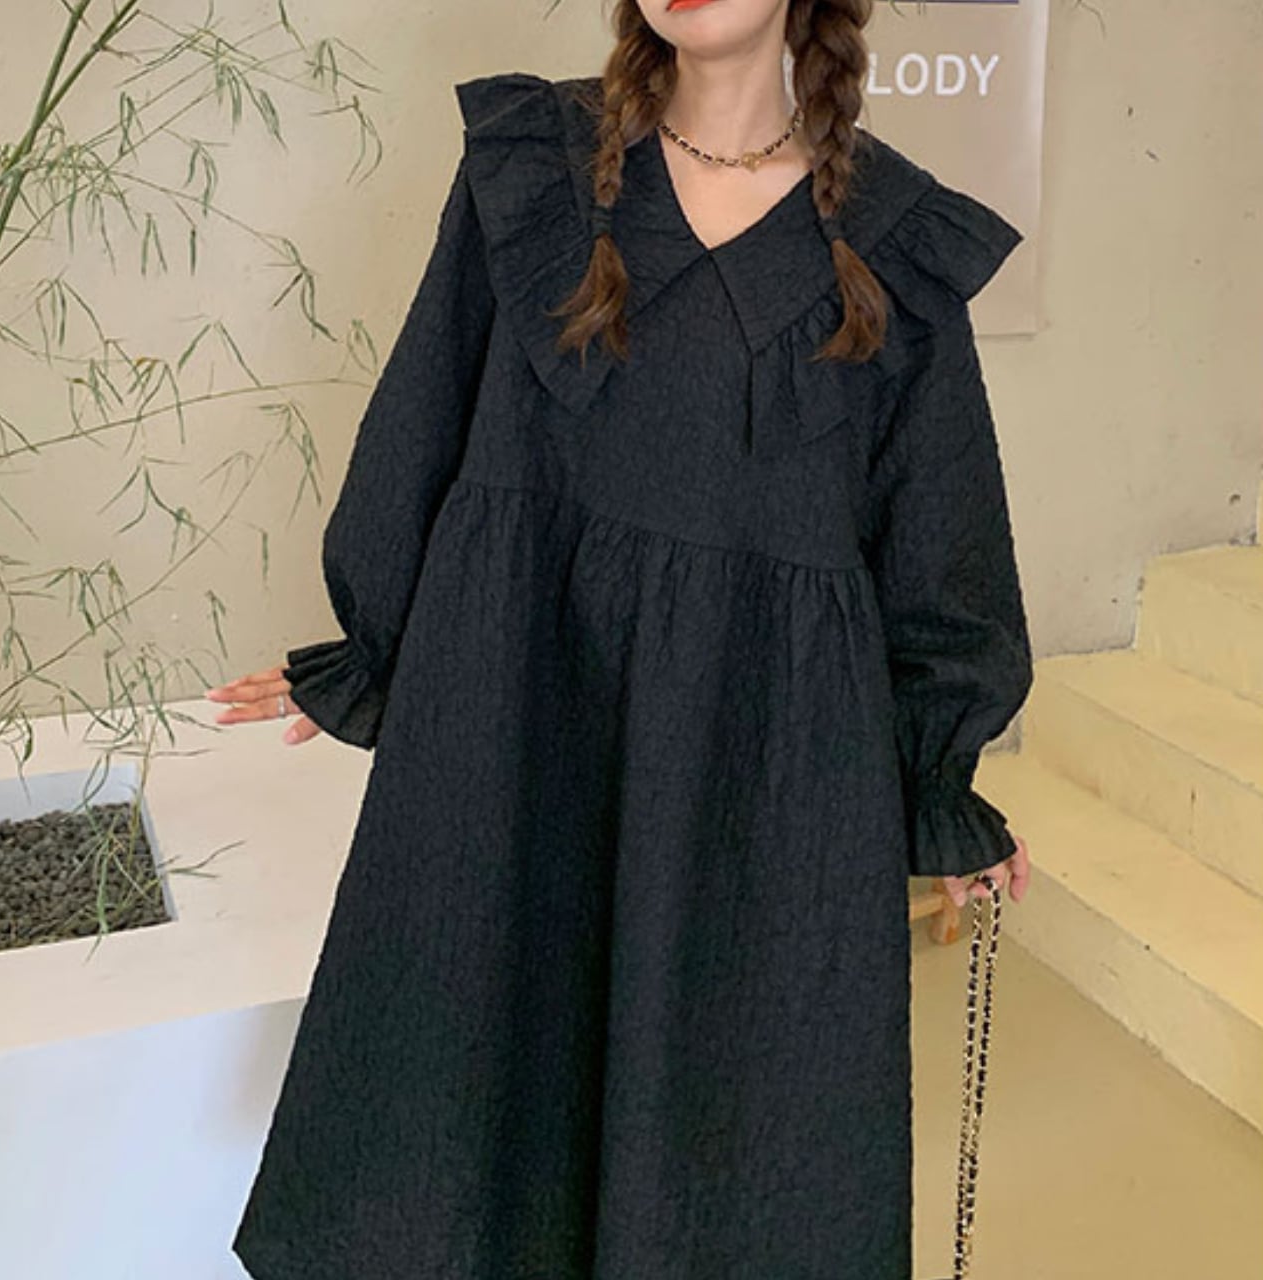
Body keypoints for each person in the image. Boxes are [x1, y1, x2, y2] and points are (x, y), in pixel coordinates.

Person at [214, 1, 1034, 1275]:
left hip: (755, 769)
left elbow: (939, 529)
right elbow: (422, 412)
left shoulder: (889, 238)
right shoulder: (535, 169)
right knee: (469, 1116)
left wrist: (938, 783)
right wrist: (369, 650)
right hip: (516, 714)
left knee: (723, 1143)